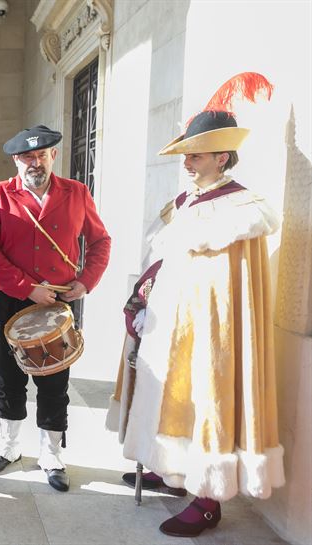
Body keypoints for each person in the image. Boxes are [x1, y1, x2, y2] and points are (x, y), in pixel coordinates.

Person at [107, 73, 284, 537]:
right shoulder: (185, 200)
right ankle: (168, 468)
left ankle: (207, 498)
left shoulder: (243, 207)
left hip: (208, 328)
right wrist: (143, 296)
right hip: (166, 322)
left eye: (196, 154)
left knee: (205, 398)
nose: (187, 162)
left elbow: (223, 279)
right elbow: (163, 258)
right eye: (186, 154)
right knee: (167, 394)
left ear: (222, 156)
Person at [0, 126, 111, 492]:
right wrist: (26, 287)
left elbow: (100, 241)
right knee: (9, 373)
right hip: (11, 298)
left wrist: (86, 282)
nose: (35, 163)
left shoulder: (77, 192)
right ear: (16, 160)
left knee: (54, 377)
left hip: (60, 299)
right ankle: (9, 447)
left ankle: (51, 453)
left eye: (42, 155)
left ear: (54, 156)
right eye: (28, 157)